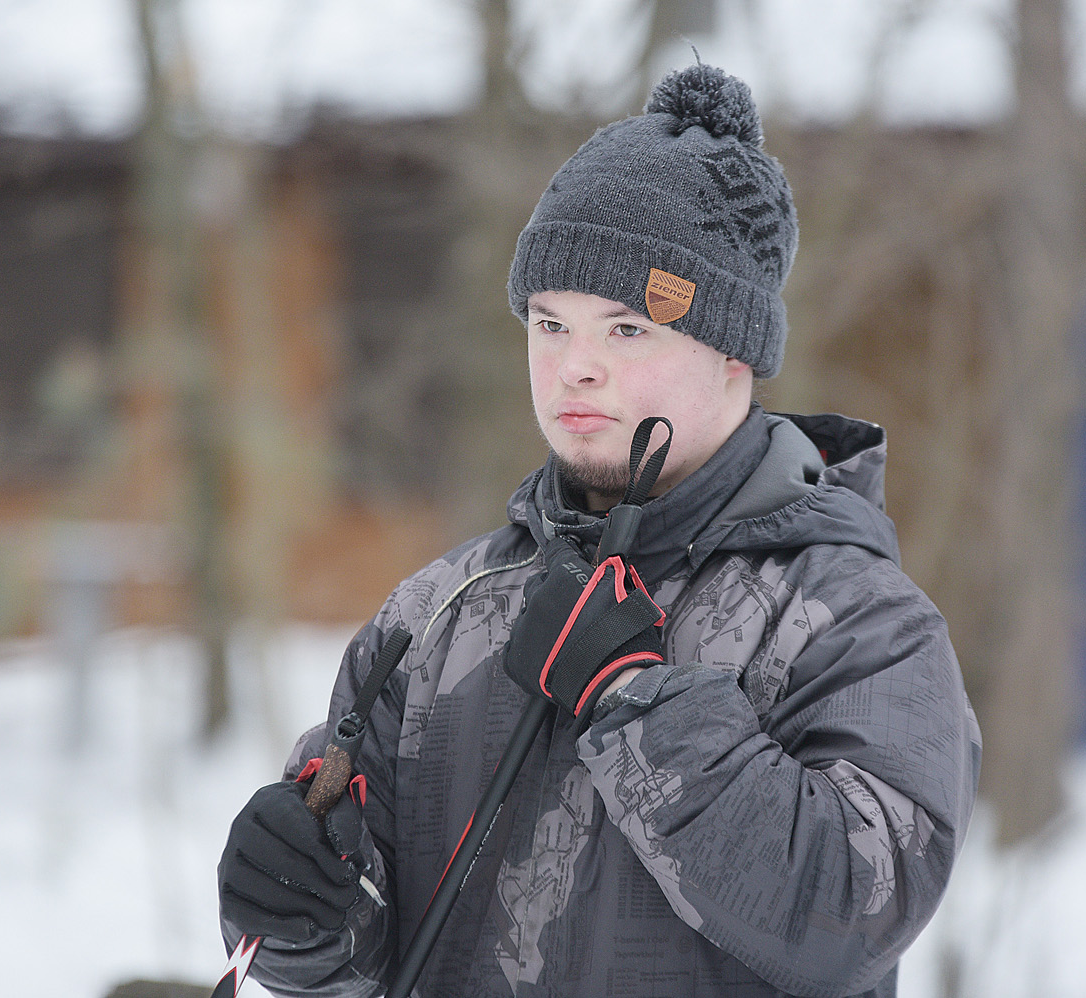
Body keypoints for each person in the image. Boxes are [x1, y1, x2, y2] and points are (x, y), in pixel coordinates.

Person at [218, 63, 981, 998]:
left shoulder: (855, 621)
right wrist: (305, 910)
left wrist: (633, 698)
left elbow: (852, 911)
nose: (574, 368)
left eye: (625, 331)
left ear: (734, 349)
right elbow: (361, 950)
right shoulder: (438, 615)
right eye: (550, 324)